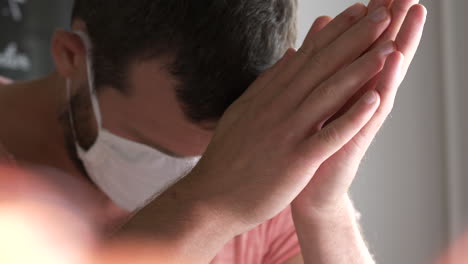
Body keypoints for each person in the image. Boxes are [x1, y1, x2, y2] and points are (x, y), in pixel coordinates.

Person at [0, 0, 426, 263]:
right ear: (71, 56)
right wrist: (211, 204)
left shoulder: (260, 161)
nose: (226, 167)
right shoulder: (234, 188)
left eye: (216, 154)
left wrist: (323, 207)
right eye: (153, 149)